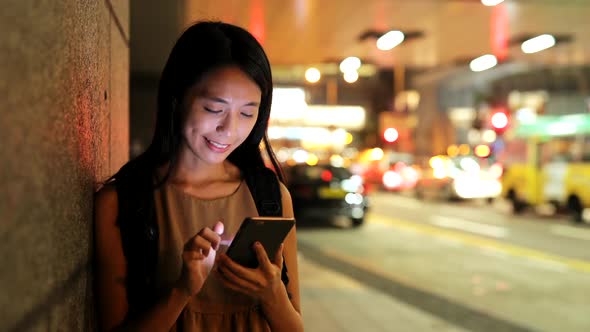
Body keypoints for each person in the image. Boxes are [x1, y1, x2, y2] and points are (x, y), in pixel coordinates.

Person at [94, 21, 303, 331]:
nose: (230, 129)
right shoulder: (122, 202)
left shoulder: (270, 197)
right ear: (177, 98)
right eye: (213, 108)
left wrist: (274, 297)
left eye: (247, 112)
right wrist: (181, 291)